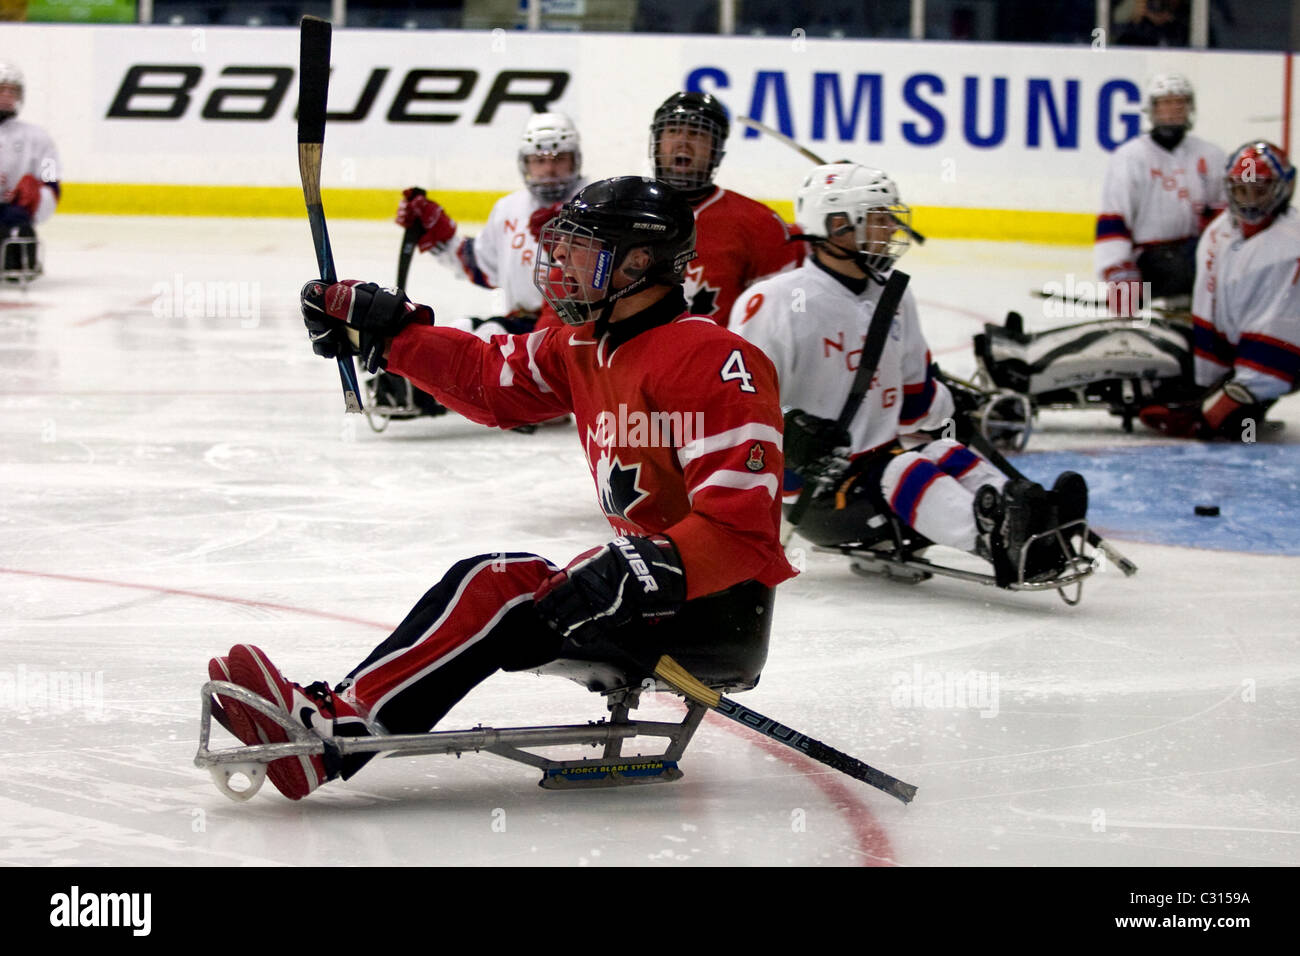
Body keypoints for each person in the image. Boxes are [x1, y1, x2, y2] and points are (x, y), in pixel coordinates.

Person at [209, 177, 794, 800]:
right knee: (498, 580)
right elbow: (490, 380)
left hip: (714, 611)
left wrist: (635, 571)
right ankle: (334, 725)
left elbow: (742, 531)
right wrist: (388, 336)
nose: (560, 264)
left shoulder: (714, 358)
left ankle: (330, 738)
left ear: (638, 262)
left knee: (499, 587)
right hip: (639, 593)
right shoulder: (584, 344)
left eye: (580, 250)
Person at [733, 163, 1087, 587]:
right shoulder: (774, 303)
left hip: (878, 465)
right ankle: (994, 539)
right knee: (904, 472)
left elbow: (914, 407)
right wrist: (791, 429)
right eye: (878, 218)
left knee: (942, 452)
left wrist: (955, 403)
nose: (890, 229)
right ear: (838, 225)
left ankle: (1035, 521)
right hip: (814, 494)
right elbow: (738, 406)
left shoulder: (895, 297)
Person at [369, 111, 588, 420]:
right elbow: (483, 268)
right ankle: (408, 384)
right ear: (525, 164)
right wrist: (441, 235)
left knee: (488, 338)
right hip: (522, 326)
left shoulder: (594, 203)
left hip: (577, 331)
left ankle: (530, 397)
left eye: (558, 158)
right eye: (539, 160)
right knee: (461, 333)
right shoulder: (509, 208)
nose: (549, 168)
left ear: (575, 159)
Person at [1139, 141, 1300, 439]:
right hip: (1241, 353)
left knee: (1236, 428)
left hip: (1278, 362)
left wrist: (1210, 410)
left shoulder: (1291, 248)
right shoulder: (1219, 230)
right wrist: (1204, 386)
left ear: (1282, 189)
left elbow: (1281, 331)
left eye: (1259, 190)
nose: (1250, 202)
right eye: (1241, 190)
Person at [1095, 73, 1225, 315]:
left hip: (1198, 255)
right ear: (1151, 109)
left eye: (1180, 103)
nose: (1173, 110)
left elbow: (1225, 217)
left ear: (1190, 108)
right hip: (1150, 261)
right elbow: (1114, 219)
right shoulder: (1129, 158)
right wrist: (1118, 270)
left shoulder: (1211, 155)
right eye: (1165, 103)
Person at [0, 62, 59, 282]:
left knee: (17, 226)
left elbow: (51, 179)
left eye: (12, 91)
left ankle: (20, 259)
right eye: (1, 89)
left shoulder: (37, 138)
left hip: (13, 208)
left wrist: (38, 196)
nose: (7, 96)